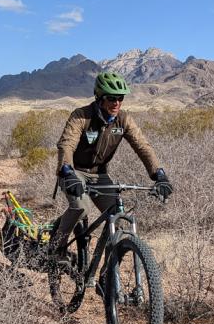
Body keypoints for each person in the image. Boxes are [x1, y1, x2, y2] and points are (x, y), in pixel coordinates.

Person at [53, 71, 172, 257]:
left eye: (120, 98)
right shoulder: (81, 116)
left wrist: (159, 175)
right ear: (100, 98)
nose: (117, 103)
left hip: (99, 174)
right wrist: (67, 172)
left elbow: (143, 146)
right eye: (111, 98)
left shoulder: (123, 120)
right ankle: (56, 247)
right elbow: (66, 144)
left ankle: (108, 275)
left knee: (117, 216)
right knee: (81, 207)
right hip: (75, 171)